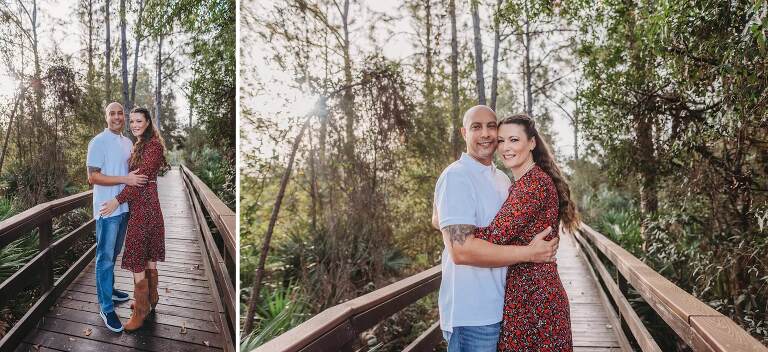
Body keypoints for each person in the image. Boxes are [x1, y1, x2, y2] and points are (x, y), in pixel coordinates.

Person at [433, 105, 560, 352]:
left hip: (501, 307)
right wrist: (530, 253)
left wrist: (444, 224)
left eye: (492, 127)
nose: (486, 134)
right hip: (471, 315)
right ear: (463, 133)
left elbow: (491, 233)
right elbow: (462, 251)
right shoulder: (456, 176)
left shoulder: (502, 179)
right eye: (476, 127)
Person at [473, 114, 577, 351]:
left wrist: (447, 223)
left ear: (531, 143)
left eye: (513, 140)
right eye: (501, 141)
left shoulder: (533, 185)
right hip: (529, 295)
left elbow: (492, 236)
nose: (506, 148)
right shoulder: (526, 182)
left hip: (534, 299)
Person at [100, 106, 169, 331]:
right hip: (141, 207)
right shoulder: (140, 145)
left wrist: (115, 201)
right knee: (147, 255)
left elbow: (137, 181)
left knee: (139, 257)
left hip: (145, 209)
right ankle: (150, 299)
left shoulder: (154, 146)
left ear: (148, 122)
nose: (135, 125)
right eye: (133, 122)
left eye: (139, 121)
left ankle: (141, 311)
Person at [87, 102, 148, 333]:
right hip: (107, 209)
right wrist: (126, 180)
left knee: (113, 254)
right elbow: (93, 177)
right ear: (106, 117)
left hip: (123, 209)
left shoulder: (127, 142)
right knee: (104, 258)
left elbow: (132, 171)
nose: (116, 117)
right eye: (112, 113)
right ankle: (106, 306)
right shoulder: (98, 142)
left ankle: (110, 289)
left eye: (120, 113)